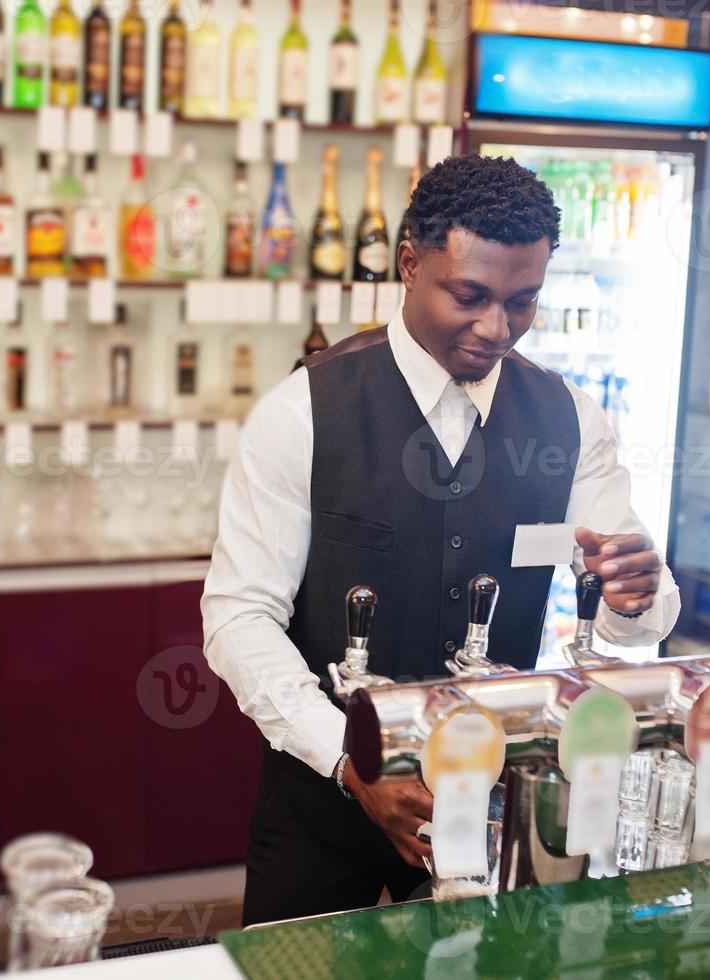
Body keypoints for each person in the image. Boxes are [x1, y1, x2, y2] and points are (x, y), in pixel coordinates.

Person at [201, 154, 680, 925]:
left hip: (489, 805)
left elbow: (634, 625)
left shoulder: (569, 422)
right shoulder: (303, 413)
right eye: (470, 296)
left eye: (523, 303)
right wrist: (351, 764)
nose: (496, 328)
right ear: (409, 263)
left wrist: (634, 595)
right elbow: (236, 618)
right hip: (319, 810)